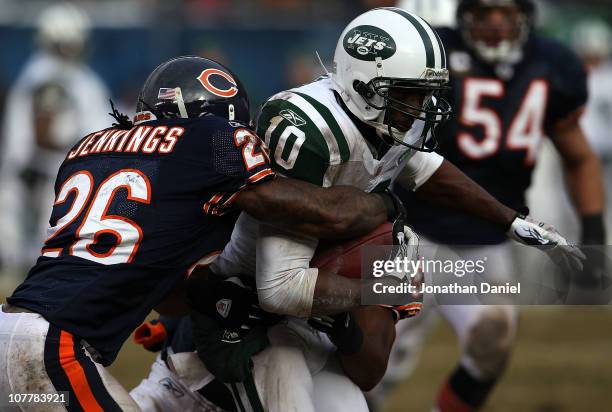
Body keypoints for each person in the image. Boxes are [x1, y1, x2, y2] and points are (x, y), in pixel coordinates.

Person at [130, 7, 585, 412]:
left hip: (307, 311)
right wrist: (376, 287)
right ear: (364, 84)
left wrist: (511, 221)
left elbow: (425, 168)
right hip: (246, 308)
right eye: (409, 94)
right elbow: (279, 287)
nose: (421, 109)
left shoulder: (382, 122)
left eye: (426, 94)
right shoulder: (307, 127)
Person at [0, 55, 398, 412]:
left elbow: (160, 286)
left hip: (14, 336)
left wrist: (213, 295)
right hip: (54, 352)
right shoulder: (210, 140)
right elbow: (312, 211)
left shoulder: (87, 148)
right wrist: (387, 204)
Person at [371, 1, 606, 411]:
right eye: (484, 12)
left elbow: (578, 155)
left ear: (526, 16)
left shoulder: (552, 65)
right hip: (409, 232)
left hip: (486, 239)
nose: (495, 24)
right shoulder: (435, 52)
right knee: (375, 360)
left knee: (492, 342)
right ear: (465, 15)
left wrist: (593, 231)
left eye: (506, 12)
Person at [0, 3, 110, 269]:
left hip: (32, 172)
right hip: (55, 174)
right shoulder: (67, 78)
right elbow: (48, 133)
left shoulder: (37, 73)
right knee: (41, 254)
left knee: (21, 253)